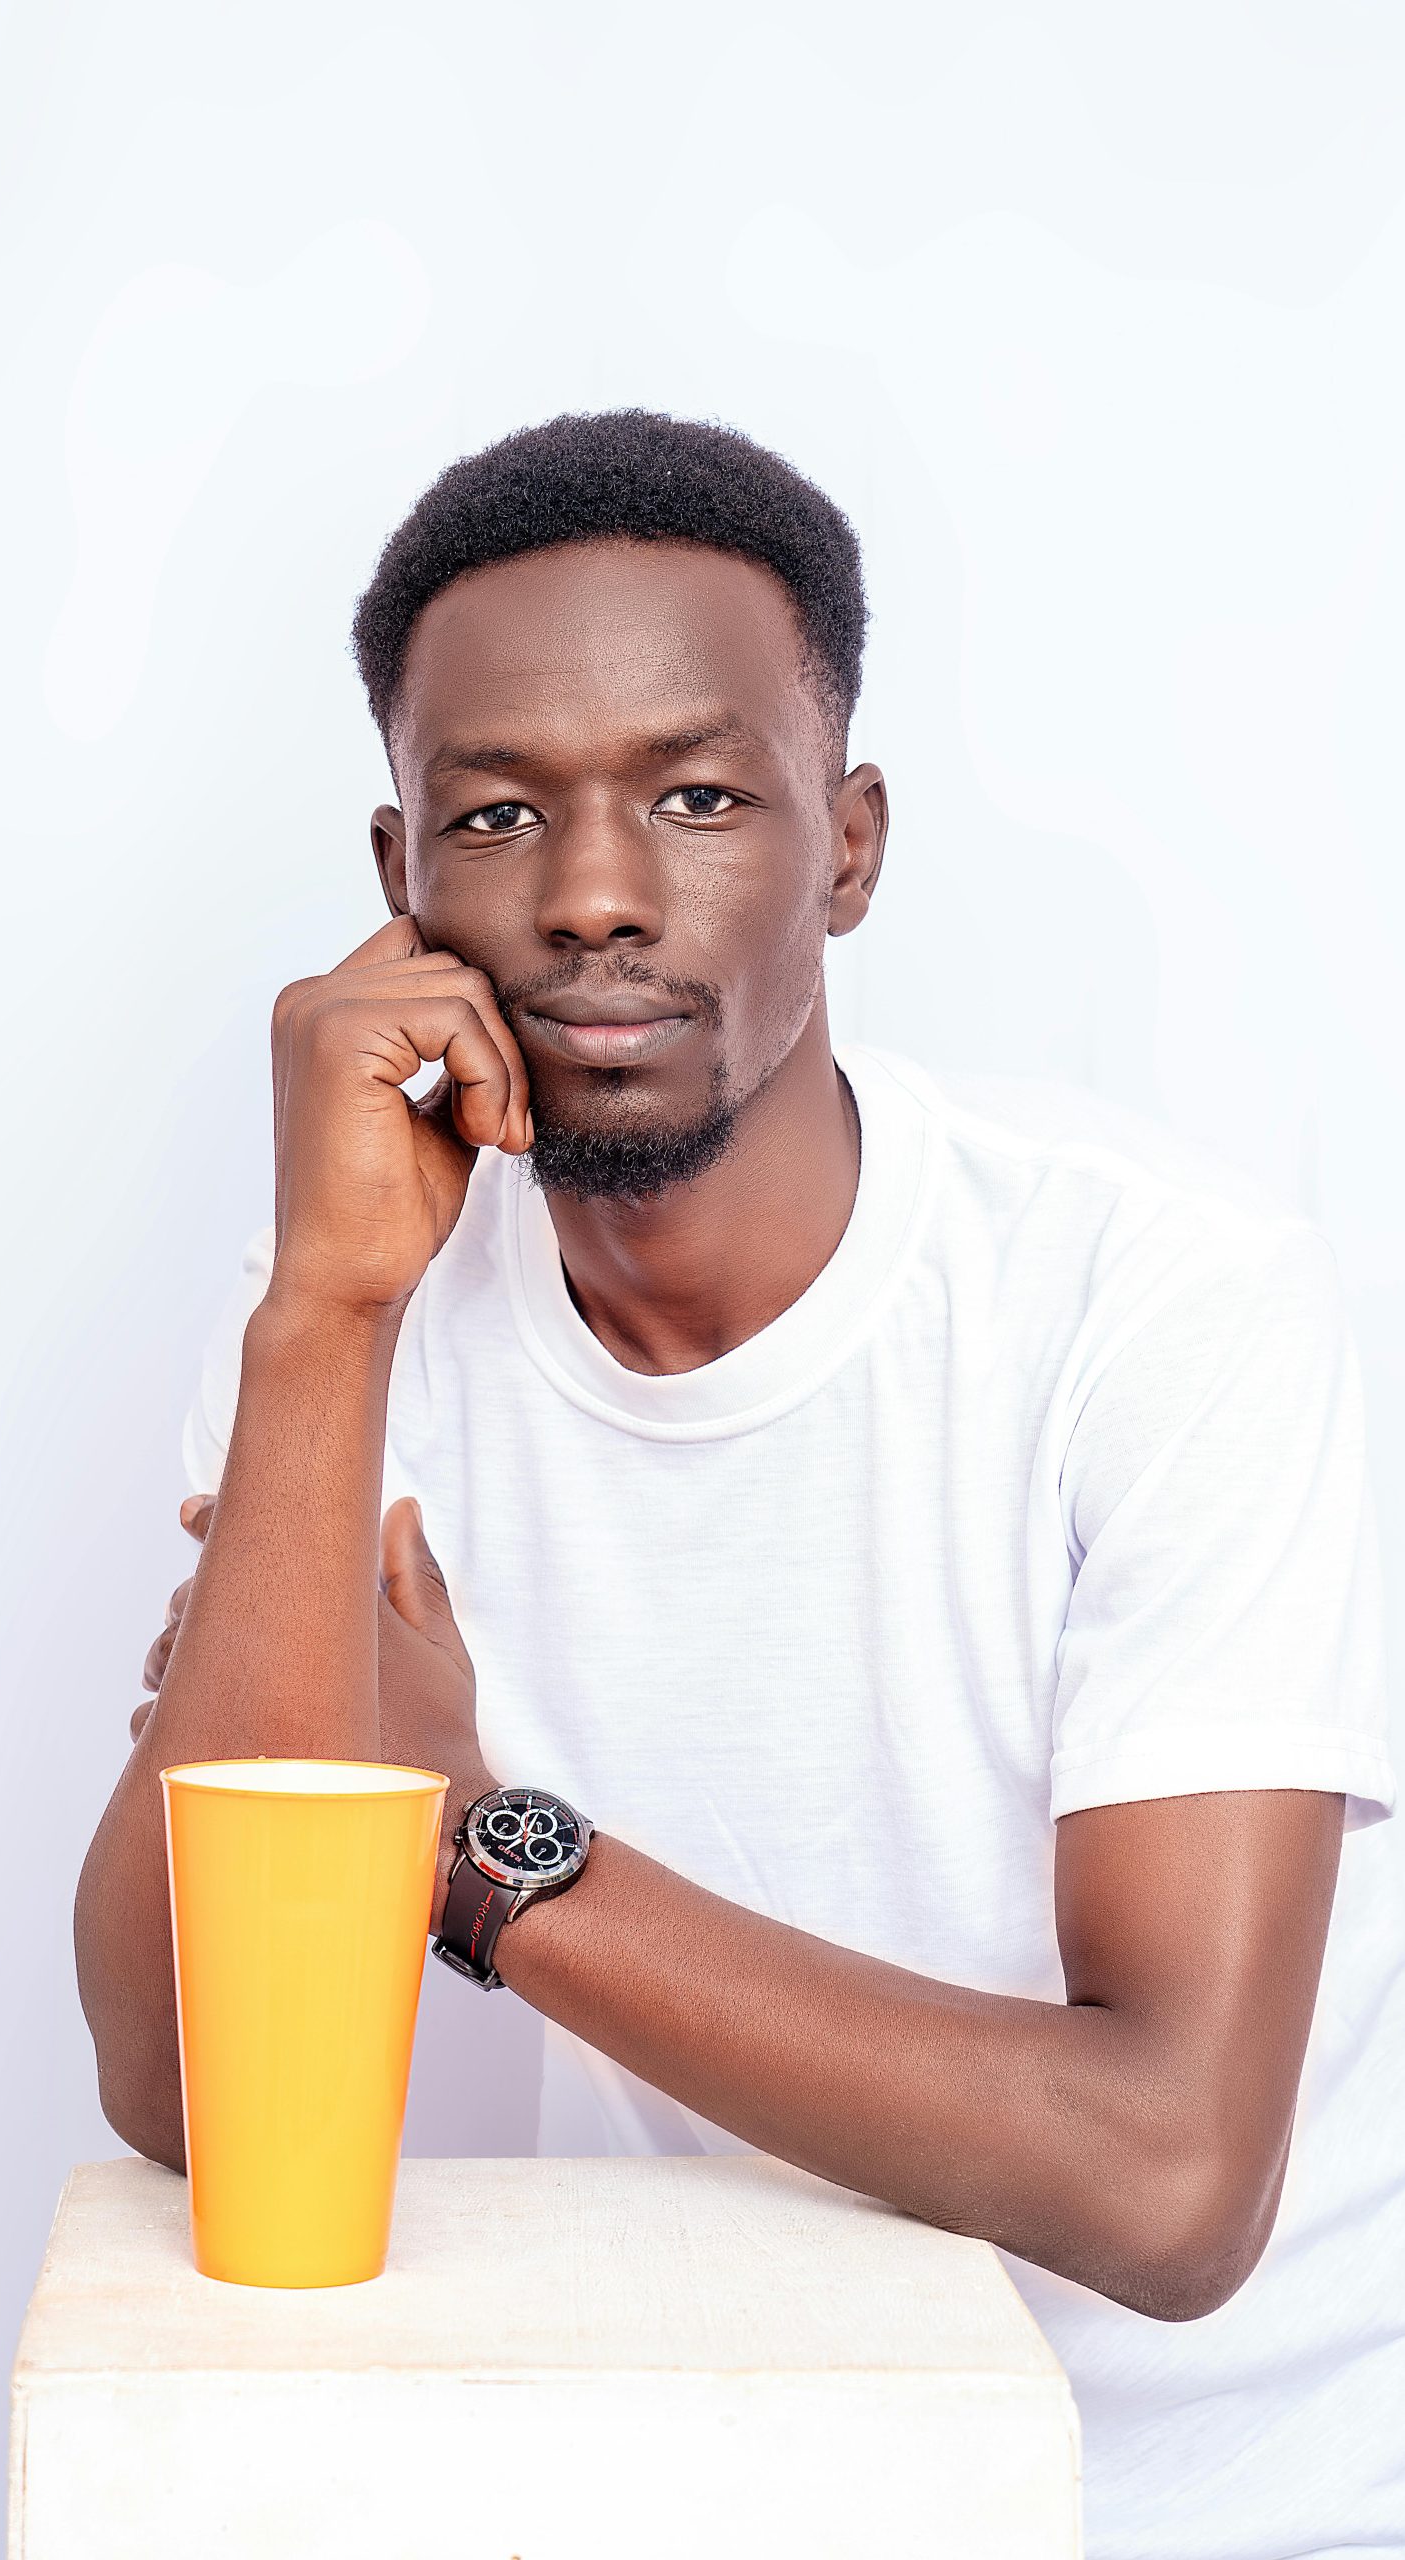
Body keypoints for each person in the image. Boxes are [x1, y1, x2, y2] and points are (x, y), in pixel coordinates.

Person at [74, 410, 1404, 2560]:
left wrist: (482, 1852)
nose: (594, 893)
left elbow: (1167, 2183)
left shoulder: (1153, 1297)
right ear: (402, 883)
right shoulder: (349, 1308)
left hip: (1215, 2505)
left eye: (698, 796)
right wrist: (318, 1317)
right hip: (729, 2466)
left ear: (847, 845)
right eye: (498, 813)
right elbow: (187, 2091)